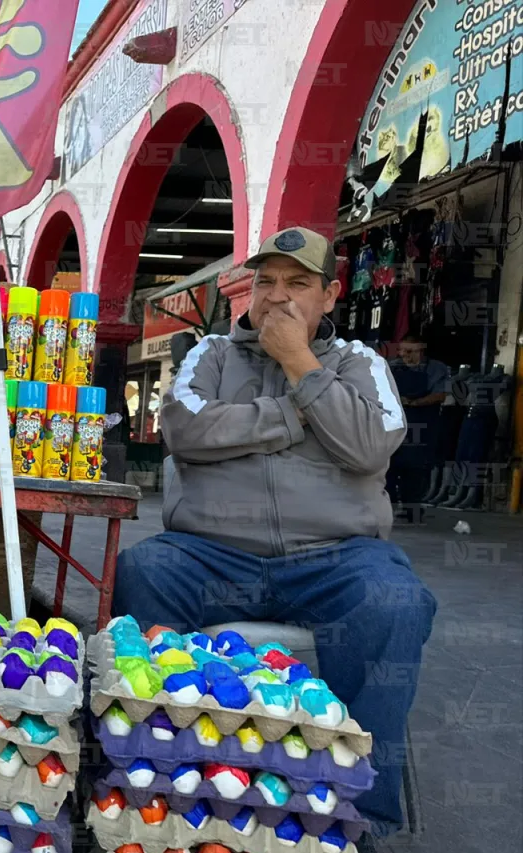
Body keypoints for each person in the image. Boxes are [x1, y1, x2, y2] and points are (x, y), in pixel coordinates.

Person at [114, 227, 437, 838]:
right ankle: (156, 784)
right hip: (211, 555)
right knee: (143, 571)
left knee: (394, 601)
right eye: (266, 282)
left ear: (330, 295)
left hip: (337, 558)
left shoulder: (360, 363)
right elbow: (185, 431)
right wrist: (298, 414)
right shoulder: (209, 354)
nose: (277, 296)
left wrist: (299, 363)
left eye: (298, 283)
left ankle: (357, 813)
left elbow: (369, 447)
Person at [387, 334, 449, 505]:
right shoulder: (392, 368)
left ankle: (412, 508)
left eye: (410, 351)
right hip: (396, 425)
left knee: (416, 469)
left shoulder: (436, 369)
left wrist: (414, 402)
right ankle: (388, 505)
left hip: (423, 425)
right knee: (389, 466)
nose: (405, 355)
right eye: (402, 351)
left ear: (422, 351)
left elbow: (440, 395)